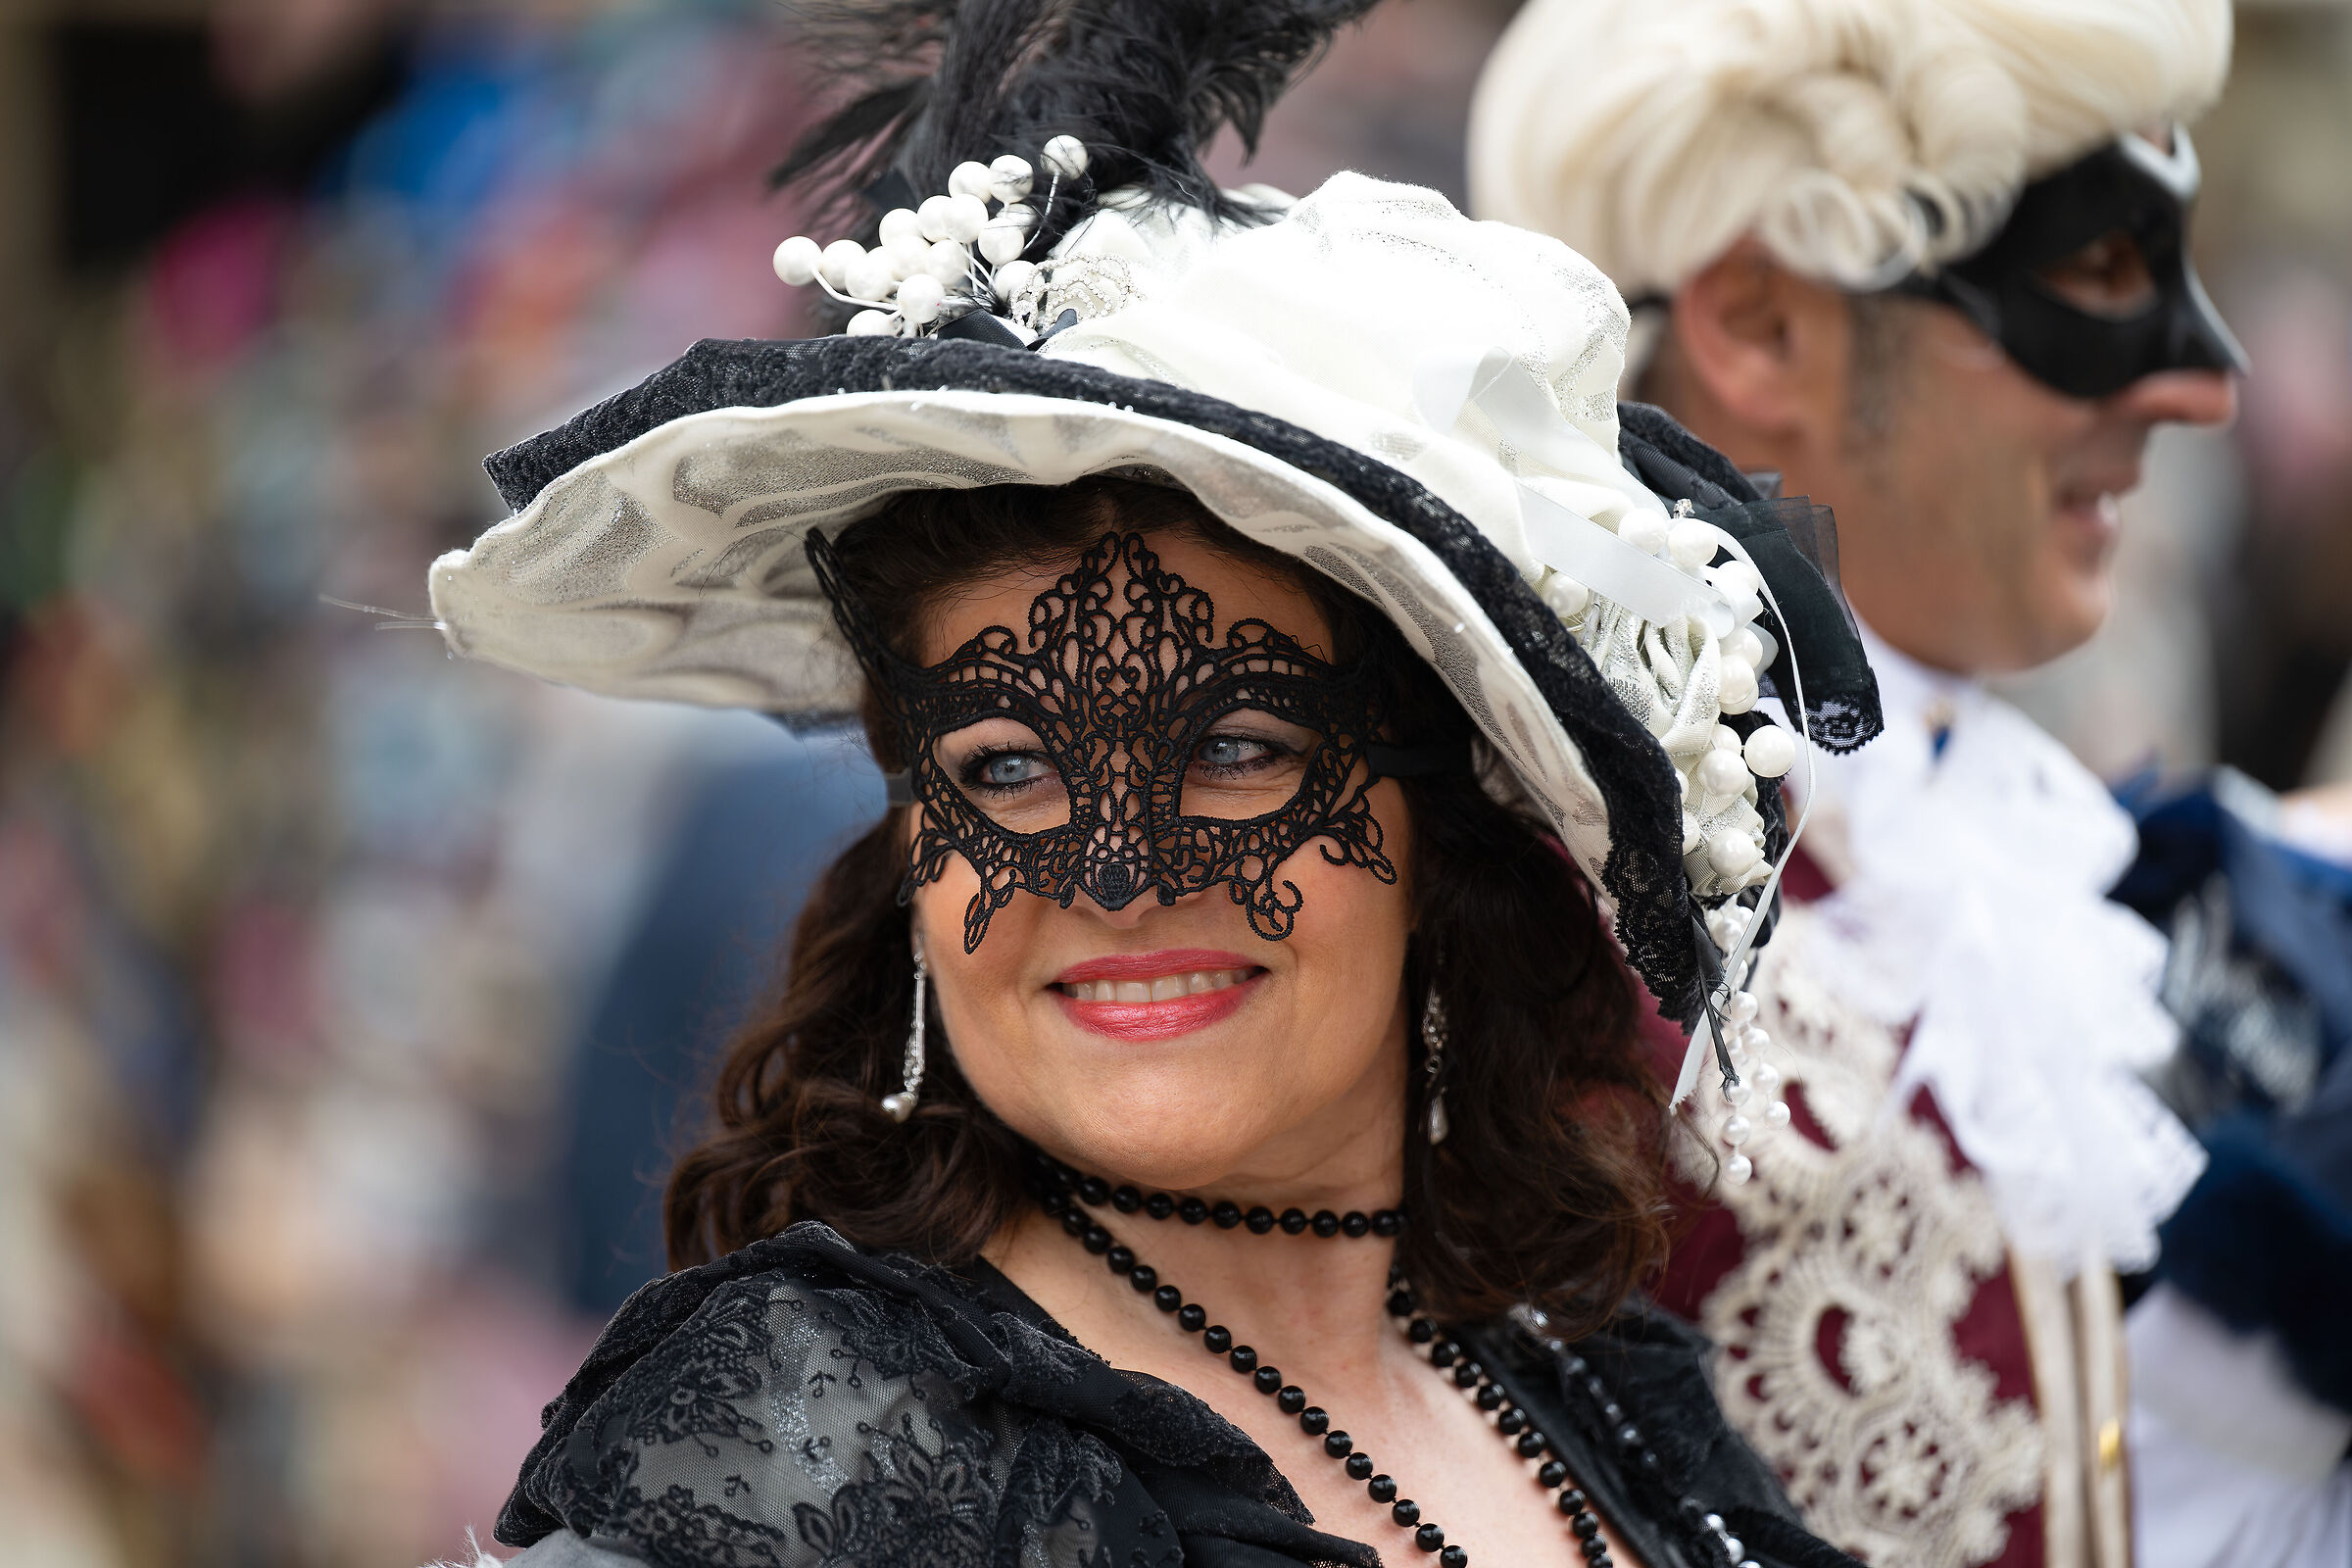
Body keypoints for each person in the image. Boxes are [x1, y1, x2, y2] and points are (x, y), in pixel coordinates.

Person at [421, 4, 1888, 1565]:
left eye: (1242, 749)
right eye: (1007, 768)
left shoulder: (1611, 1412)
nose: (1117, 879)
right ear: (914, 845)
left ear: (1438, 826)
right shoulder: (826, 1475)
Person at [1470, 4, 2242, 1567]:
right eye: (2096, 276)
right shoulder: (1542, 877)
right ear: (1761, 328)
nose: (2198, 386)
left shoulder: (1993, 833)